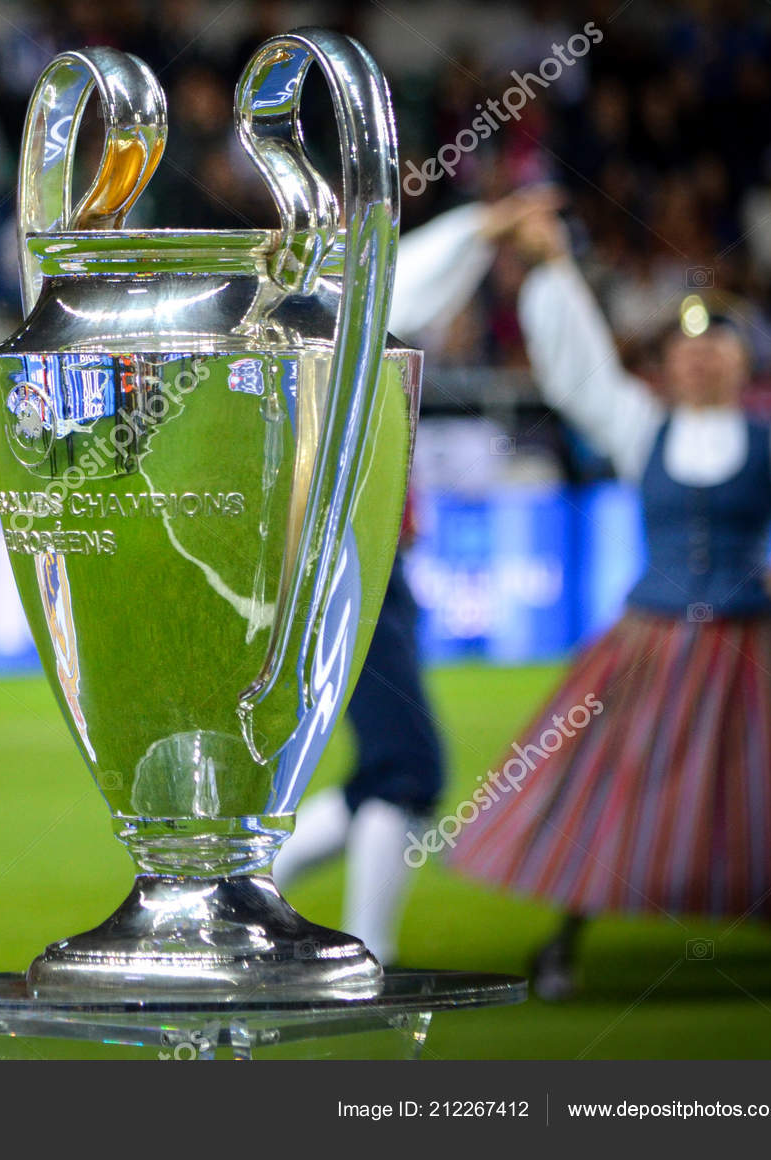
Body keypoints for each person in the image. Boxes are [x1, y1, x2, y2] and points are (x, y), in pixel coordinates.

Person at [448, 208, 771, 998]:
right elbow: (580, 373)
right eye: (686, 349)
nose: (699, 360)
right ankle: (566, 939)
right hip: (652, 641)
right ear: (668, 363)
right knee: (608, 782)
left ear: (741, 362)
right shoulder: (640, 428)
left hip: (751, 644)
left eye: (716, 345)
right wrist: (552, 269)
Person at [272, 187, 561, 965]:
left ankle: (253, 892)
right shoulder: (330, 325)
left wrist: (481, 231)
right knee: (409, 766)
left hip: (358, 566)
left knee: (387, 766)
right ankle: (366, 947)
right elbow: (401, 285)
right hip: (347, 569)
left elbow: (405, 286)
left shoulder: (313, 328)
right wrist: (484, 224)